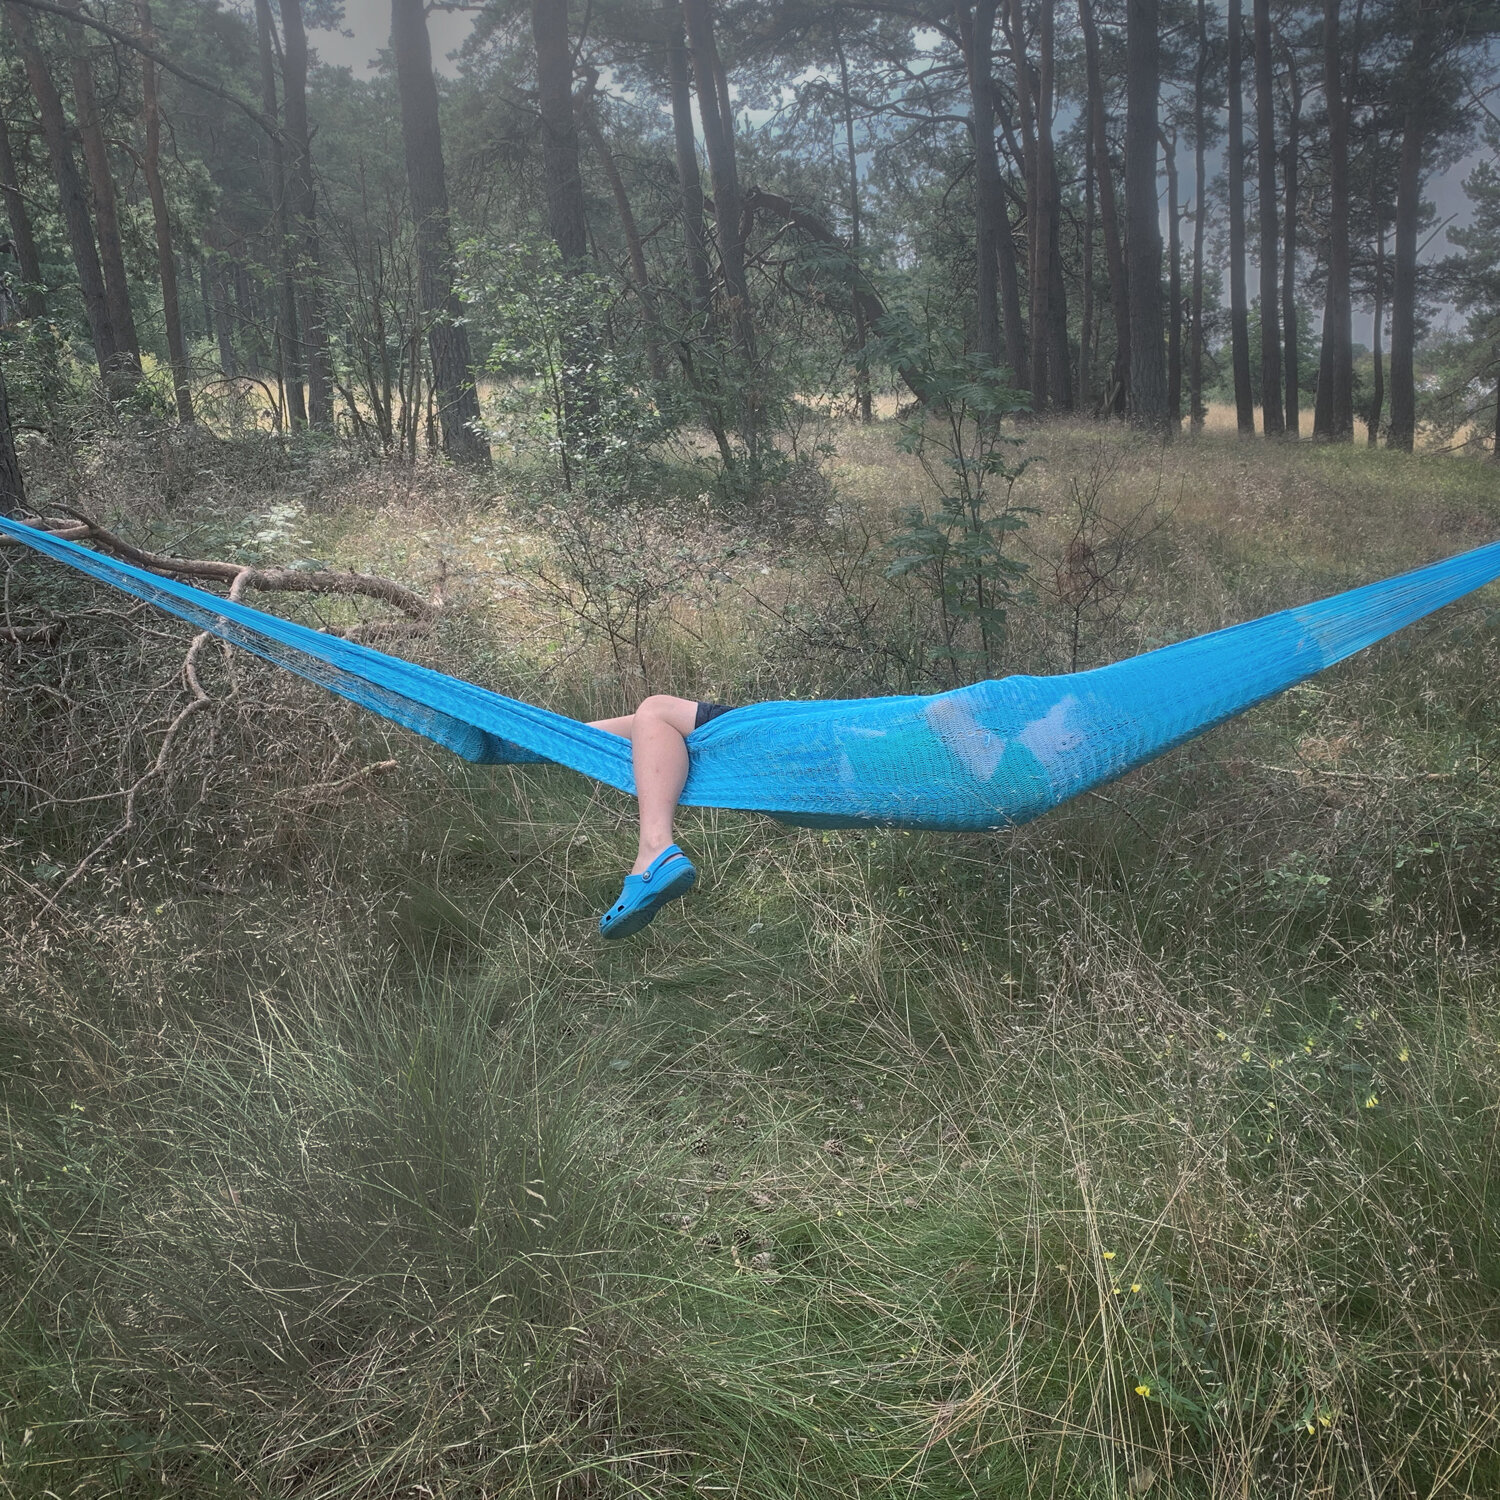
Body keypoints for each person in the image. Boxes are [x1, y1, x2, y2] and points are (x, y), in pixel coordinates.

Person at [588, 696, 733, 938]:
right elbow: (643, 728)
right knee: (649, 720)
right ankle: (537, 739)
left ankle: (655, 847)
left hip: (786, 729)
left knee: (656, 711)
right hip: (800, 730)